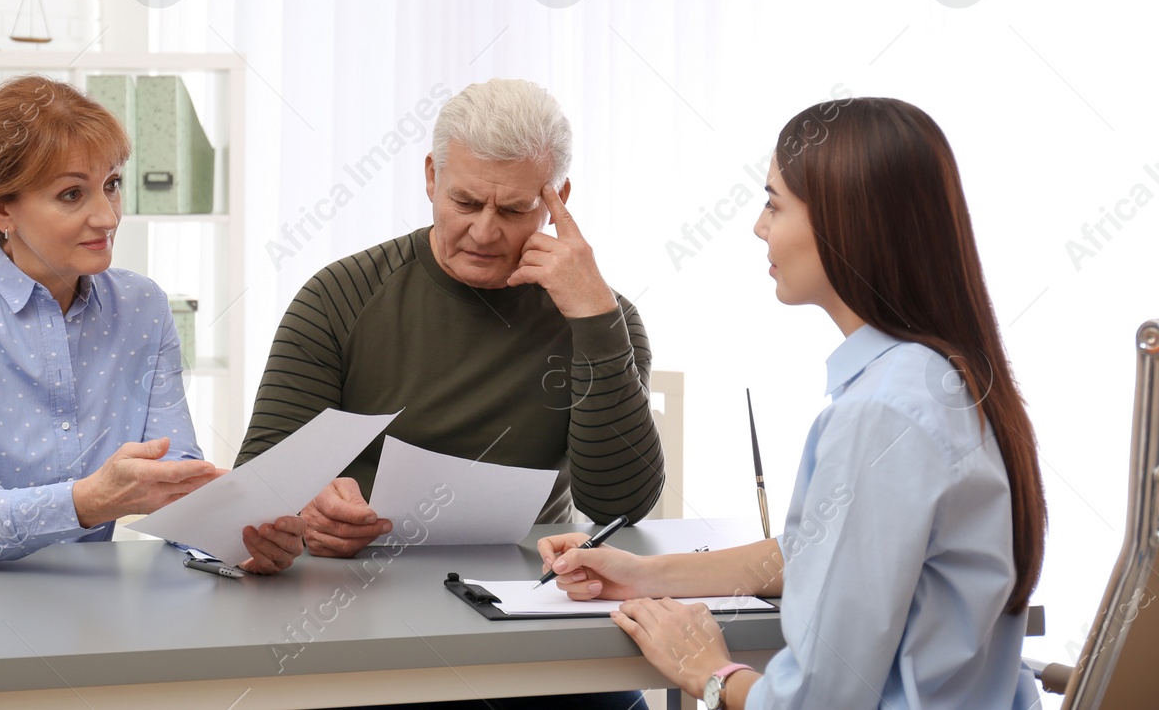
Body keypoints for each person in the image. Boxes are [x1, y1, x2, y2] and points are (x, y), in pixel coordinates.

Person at [539, 97, 1047, 709]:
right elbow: (818, 552)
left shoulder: (881, 415)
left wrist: (709, 671)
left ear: (845, 222)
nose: (759, 226)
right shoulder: (941, 379)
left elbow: (815, 703)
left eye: (774, 204)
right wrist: (644, 574)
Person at [0, 75, 304, 573]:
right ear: (2, 209)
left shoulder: (142, 307)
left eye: (111, 185)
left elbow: (175, 485)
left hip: (73, 593)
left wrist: (236, 540)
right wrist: (87, 501)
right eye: (72, 195)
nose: (107, 216)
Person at [239, 77, 664, 551]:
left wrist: (596, 320)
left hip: (527, 587)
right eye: (465, 202)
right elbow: (257, 486)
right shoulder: (340, 297)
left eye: (513, 210)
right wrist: (305, 506)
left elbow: (619, 506)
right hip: (352, 582)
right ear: (431, 177)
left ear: (557, 200)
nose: (483, 232)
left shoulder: (601, 318)